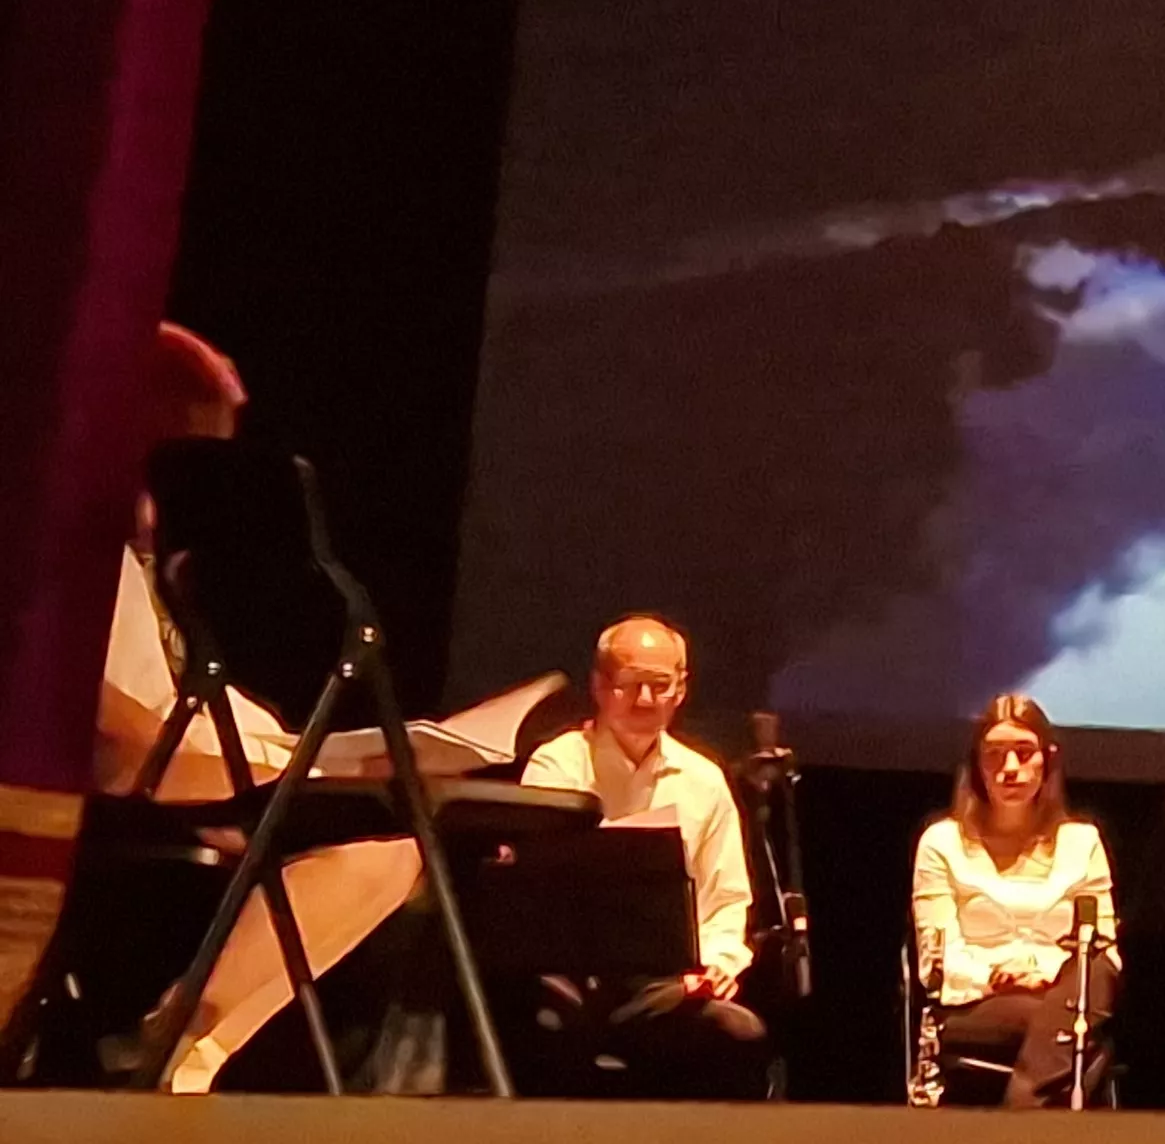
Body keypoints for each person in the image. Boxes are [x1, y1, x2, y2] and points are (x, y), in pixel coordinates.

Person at [87, 322, 550, 1093]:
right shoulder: (70, 554)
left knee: (390, 847)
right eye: (206, 455)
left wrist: (319, 754)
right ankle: (176, 1045)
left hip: (211, 771)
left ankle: (186, 1043)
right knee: (341, 814)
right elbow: (102, 722)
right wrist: (254, 767)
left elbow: (211, 702)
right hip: (134, 787)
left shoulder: (159, 568)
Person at [513, 615, 769, 1098]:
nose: (645, 700)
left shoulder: (704, 780)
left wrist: (716, 963)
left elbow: (727, 898)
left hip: (660, 986)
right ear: (599, 685)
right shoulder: (558, 764)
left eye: (660, 685)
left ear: (681, 689)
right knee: (542, 1028)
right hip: (569, 975)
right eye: (631, 684)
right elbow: (536, 885)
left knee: (737, 1034)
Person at [910, 694, 1119, 1108]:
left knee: (1093, 975)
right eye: (995, 756)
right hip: (977, 1003)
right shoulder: (943, 843)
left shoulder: (1082, 842)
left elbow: (1104, 950)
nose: (1010, 769)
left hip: (1063, 991)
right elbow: (936, 958)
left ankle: (1022, 1112)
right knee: (1080, 1037)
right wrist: (996, 976)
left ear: (1047, 761)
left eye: (1024, 754)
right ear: (976, 764)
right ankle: (1034, 1115)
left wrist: (1041, 972)